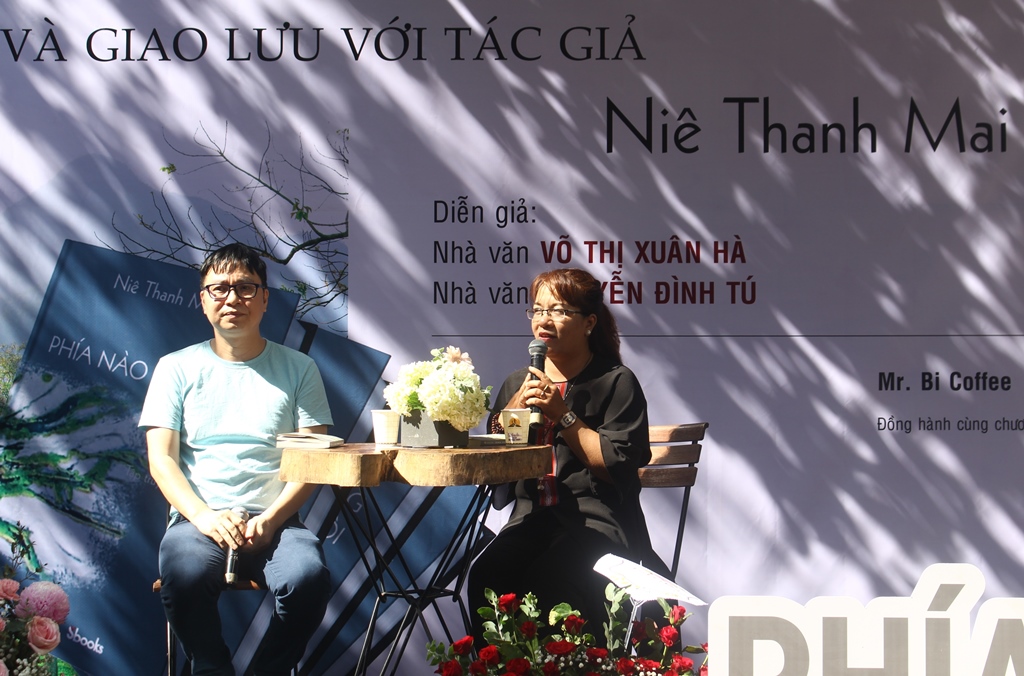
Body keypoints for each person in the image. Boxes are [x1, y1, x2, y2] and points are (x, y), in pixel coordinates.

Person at [139, 243, 332, 676]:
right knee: (184, 575)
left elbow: (312, 461)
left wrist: (271, 520)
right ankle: (212, 669)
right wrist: (204, 517)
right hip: (197, 521)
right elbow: (161, 460)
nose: (232, 298)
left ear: (265, 299)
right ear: (203, 299)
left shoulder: (300, 368)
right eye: (220, 288)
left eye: (246, 287)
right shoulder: (175, 368)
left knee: (308, 577)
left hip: (277, 522)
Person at [469, 268, 653, 636]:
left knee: (551, 578)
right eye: (538, 310)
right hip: (531, 519)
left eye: (559, 311)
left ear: (589, 323)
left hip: (596, 523)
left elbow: (614, 466)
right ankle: (504, 663)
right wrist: (509, 416)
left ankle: (568, 662)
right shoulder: (517, 382)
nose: (544, 320)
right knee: (487, 575)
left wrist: (562, 414)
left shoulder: (616, 382)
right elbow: (501, 462)